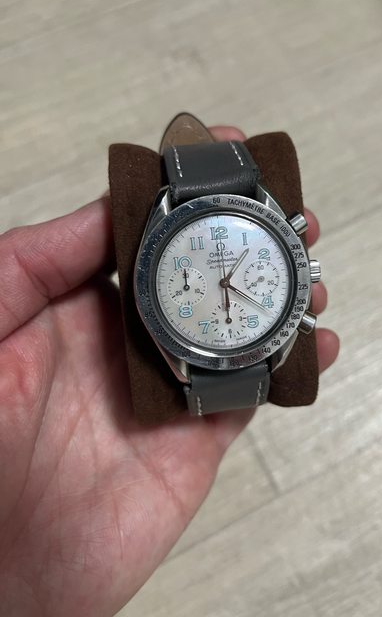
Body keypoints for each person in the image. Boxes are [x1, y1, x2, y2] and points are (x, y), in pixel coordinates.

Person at [0, 125, 339, 616]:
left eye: (232, 280)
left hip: (252, 343)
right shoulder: (168, 223)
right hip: (190, 349)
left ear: (299, 266)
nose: (225, 284)